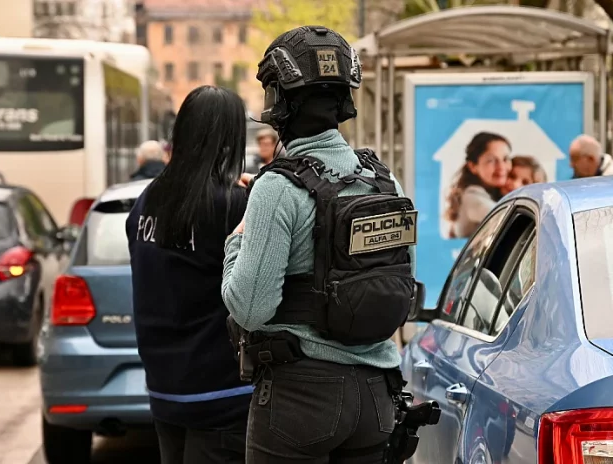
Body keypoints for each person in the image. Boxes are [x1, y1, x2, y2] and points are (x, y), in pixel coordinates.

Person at [221, 26, 419, 462]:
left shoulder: (276, 187)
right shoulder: (384, 180)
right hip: (377, 397)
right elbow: (402, 281)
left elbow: (250, 308)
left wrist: (236, 241)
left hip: (301, 400)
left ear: (279, 100)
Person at [126, 85, 251, 464]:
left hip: (164, 387)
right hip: (222, 393)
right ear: (229, 140)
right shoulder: (231, 205)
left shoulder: (147, 201)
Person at [445, 132, 512, 239]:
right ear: (473, 166)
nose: (501, 166)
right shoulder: (472, 197)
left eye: (505, 159)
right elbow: (507, 218)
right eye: (491, 160)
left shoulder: (490, 194)